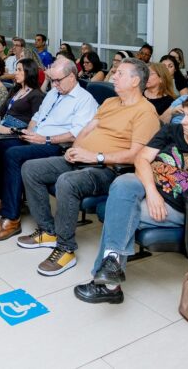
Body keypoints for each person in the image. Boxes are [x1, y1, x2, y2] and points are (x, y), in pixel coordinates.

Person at [73, 94, 188, 304]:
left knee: (118, 211)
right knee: (124, 183)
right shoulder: (172, 130)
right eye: (184, 115)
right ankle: (112, 266)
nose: (184, 122)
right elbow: (142, 158)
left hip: (183, 208)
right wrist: (151, 192)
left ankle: (108, 285)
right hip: (151, 193)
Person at [19, 58, 161, 275]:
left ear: (135, 81)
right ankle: (48, 231)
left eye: (120, 73)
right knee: (31, 168)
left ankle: (65, 249)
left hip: (110, 170)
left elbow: (135, 156)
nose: (114, 76)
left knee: (67, 181)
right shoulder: (110, 103)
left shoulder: (146, 112)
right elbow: (87, 129)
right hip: (84, 158)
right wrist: (75, 150)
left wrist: (95, 156)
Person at [0, 57, 98, 241]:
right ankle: (5, 199)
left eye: (58, 80)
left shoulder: (85, 100)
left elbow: (76, 135)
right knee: (0, 145)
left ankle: (11, 217)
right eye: (52, 80)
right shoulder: (54, 92)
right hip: (36, 137)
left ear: (72, 76)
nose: (54, 84)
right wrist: (29, 132)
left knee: (13, 154)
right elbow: (37, 115)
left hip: (56, 145)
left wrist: (45, 138)